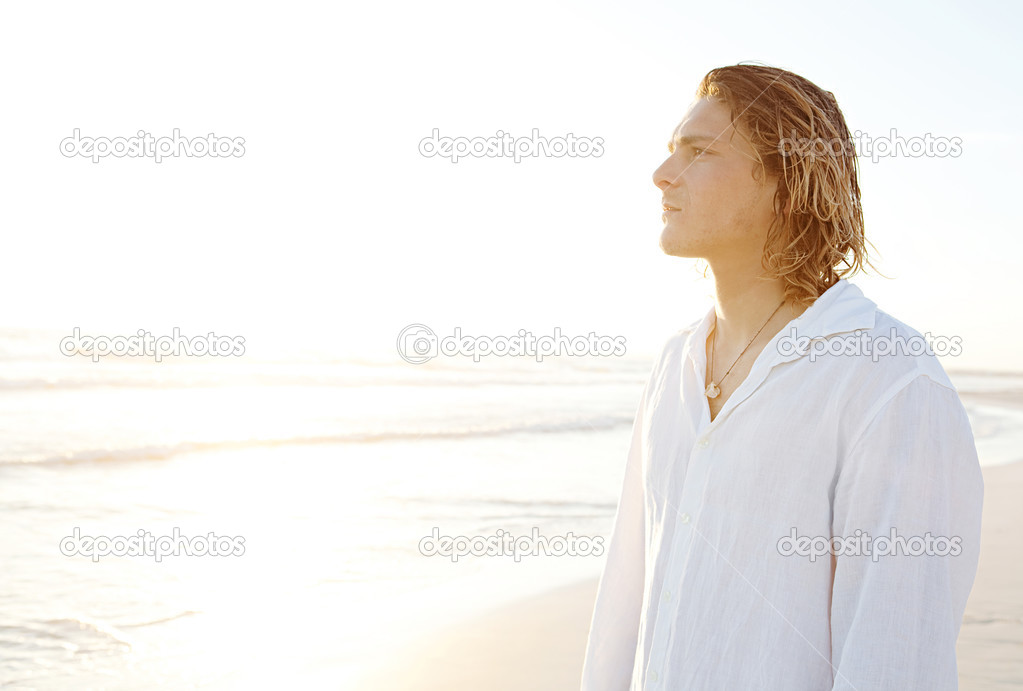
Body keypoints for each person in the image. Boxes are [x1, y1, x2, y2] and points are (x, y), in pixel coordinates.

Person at [580, 63, 983, 691]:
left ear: (785, 179)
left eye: (698, 151)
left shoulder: (889, 384)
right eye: (669, 151)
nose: (662, 175)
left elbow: (895, 658)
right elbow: (624, 607)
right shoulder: (673, 368)